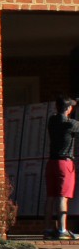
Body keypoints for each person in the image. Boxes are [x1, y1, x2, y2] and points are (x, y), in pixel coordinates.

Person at [43, 96, 79, 239]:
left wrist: (73, 102)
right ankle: (62, 230)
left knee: (51, 197)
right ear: (69, 109)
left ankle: (47, 229)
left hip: (51, 162)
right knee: (62, 197)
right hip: (65, 163)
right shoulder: (71, 124)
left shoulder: (52, 120)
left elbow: (64, 108)